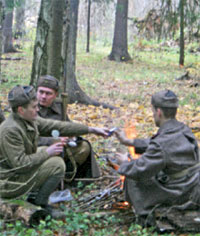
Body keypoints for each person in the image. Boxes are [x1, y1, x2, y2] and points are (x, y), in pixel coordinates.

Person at [0, 85, 109, 214]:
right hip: (9, 183)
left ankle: (35, 195)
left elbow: (58, 126)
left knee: (45, 152)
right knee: (57, 164)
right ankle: (40, 202)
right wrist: (48, 152)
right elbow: (20, 164)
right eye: (34, 107)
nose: (37, 109)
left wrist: (91, 130)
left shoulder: (28, 119)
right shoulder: (10, 130)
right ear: (21, 110)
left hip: (15, 175)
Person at [114, 90, 200, 225]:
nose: (153, 114)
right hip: (193, 185)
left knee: (132, 178)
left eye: (153, 111)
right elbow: (159, 144)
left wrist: (124, 163)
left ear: (158, 112)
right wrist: (129, 142)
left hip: (180, 192)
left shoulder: (162, 144)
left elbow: (140, 169)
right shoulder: (182, 129)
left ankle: (145, 215)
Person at [36, 75, 100, 182]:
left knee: (84, 147)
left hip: (61, 147)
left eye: (48, 93)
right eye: (41, 92)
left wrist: (72, 136)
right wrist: (53, 141)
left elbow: (67, 125)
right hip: (38, 151)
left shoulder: (59, 106)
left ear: (55, 95)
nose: (43, 96)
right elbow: (28, 138)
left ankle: (67, 178)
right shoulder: (28, 108)